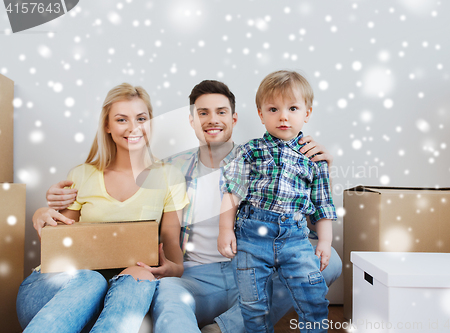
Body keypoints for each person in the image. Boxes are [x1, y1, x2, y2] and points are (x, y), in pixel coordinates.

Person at [44, 79, 342, 333]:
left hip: (253, 270)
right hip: (195, 277)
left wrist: (320, 169)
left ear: (234, 119)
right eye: (203, 112)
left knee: (330, 263)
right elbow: (113, 197)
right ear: (192, 120)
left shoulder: (266, 160)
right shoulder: (169, 169)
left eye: (221, 112)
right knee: (169, 301)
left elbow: (310, 222)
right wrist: (50, 205)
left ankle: (224, 327)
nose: (213, 119)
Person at [17, 83, 189, 333]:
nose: (133, 128)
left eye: (141, 118)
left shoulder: (169, 178)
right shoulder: (82, 175)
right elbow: (57, 248)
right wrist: (42, 216)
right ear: (107, 126)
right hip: (52, 295)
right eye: (122, 119)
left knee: (140, 276)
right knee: (90, 279)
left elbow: (174, 255)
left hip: (116, 299)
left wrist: (171, 268)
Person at [218, 70, 334, 333]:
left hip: (294, 238)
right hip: (252, 236)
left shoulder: (313, 157)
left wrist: (325, 241)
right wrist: (225, 229)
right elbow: (231, 191)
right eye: (273, 109)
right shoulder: (250, 151)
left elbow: (322, 203)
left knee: (313, 298)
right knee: (253, 304)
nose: (283, 116)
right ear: (260, 113)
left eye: (293, 108)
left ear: (307, 112)